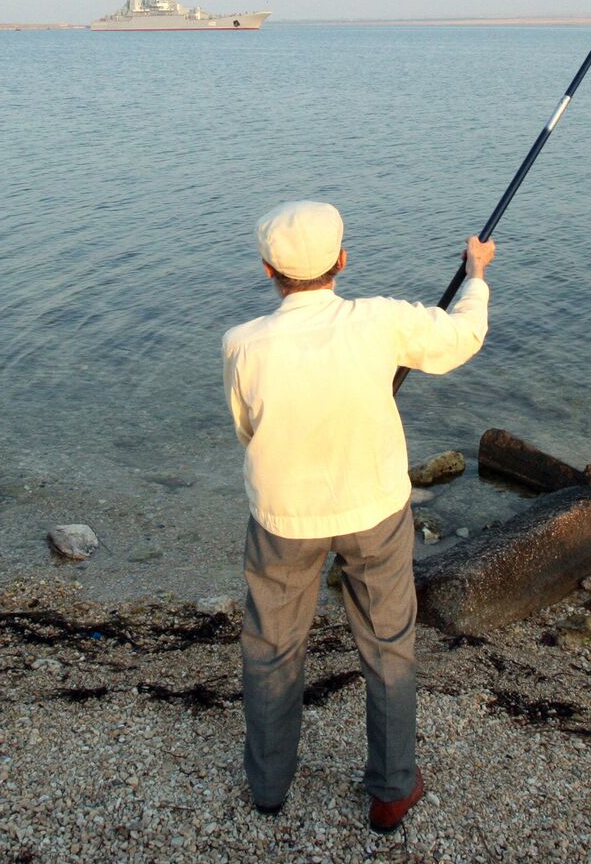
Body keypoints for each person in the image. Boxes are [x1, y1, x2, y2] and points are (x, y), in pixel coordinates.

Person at [222, 200, 495, 833]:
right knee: (388, 645)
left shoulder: (243, 344)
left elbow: (248, 430)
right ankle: (393, 789)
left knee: (270, 649)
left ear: (269, 270)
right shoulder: (378, 321)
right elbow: (460, 338)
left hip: (283, 520)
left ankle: (268, 787)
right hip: (373, 510)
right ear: (343, 261)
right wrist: (475, 274)